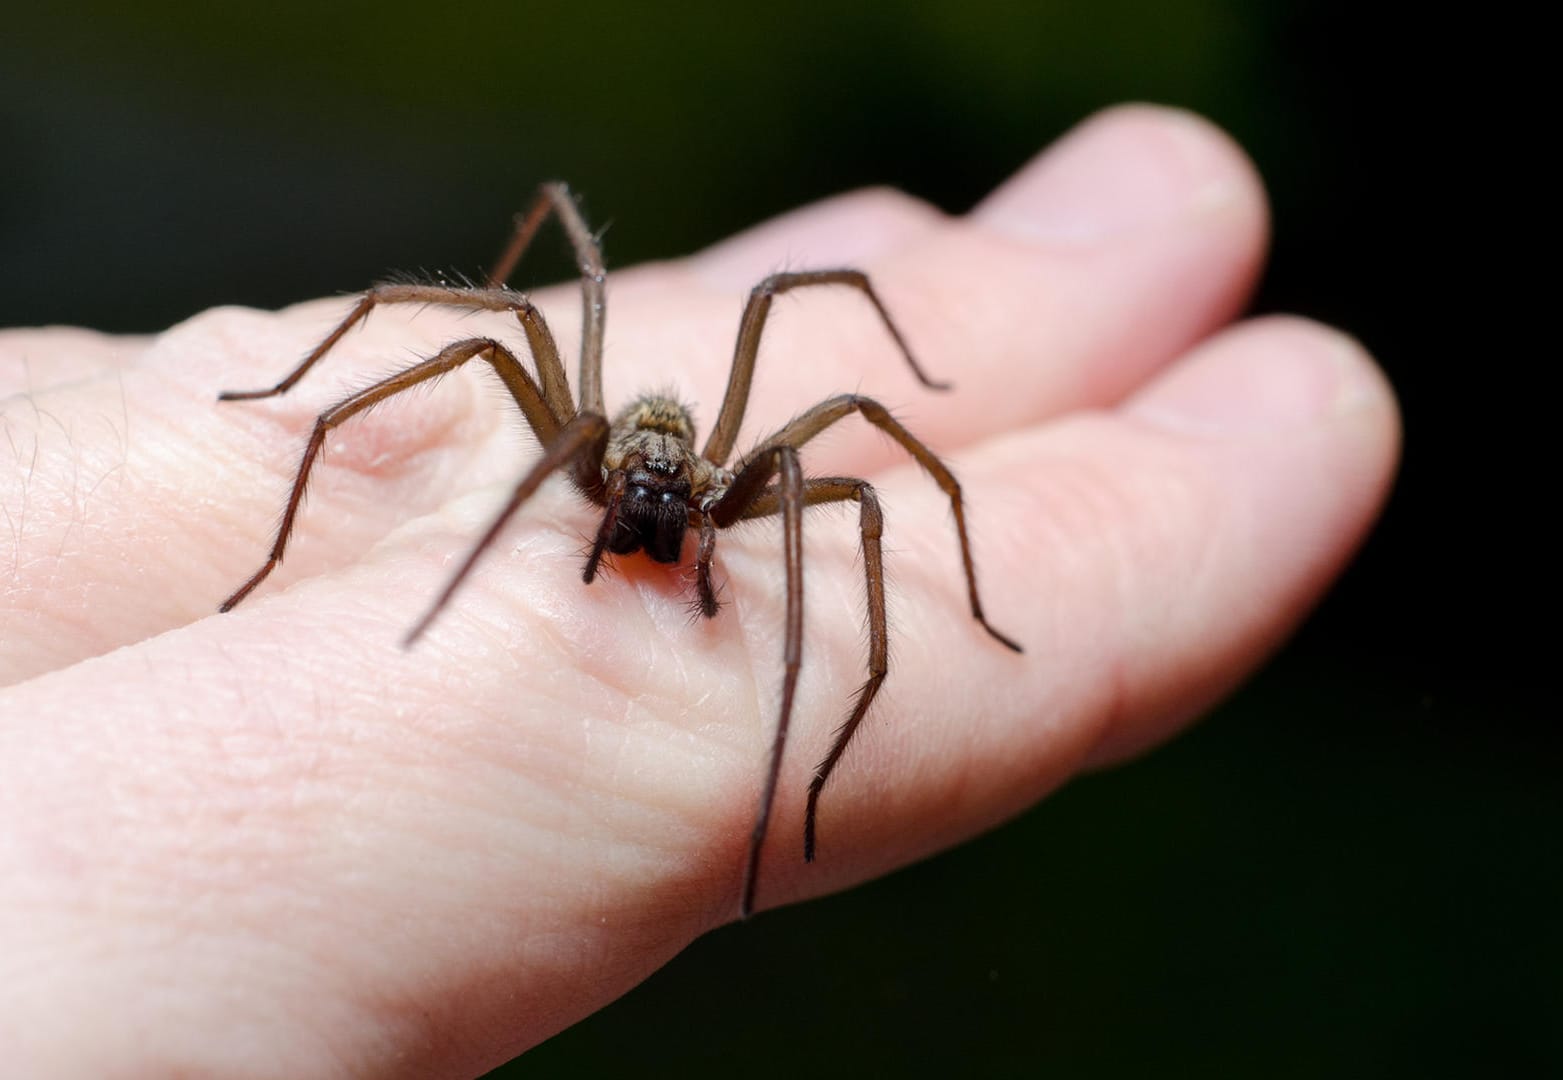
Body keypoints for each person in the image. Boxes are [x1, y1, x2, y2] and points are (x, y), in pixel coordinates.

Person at [0, 106, 1397, 1075]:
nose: (648, 519)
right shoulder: (591, 445)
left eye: (655, 506)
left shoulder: (729, 484)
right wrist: (352, 510)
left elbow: (855, 419)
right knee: (503, 325)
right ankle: (316, 474)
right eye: (631, 500)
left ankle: (804, 766)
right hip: (617, 415)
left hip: (714, 459)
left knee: (839, 424)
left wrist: (856, 716)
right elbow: (529, 298)